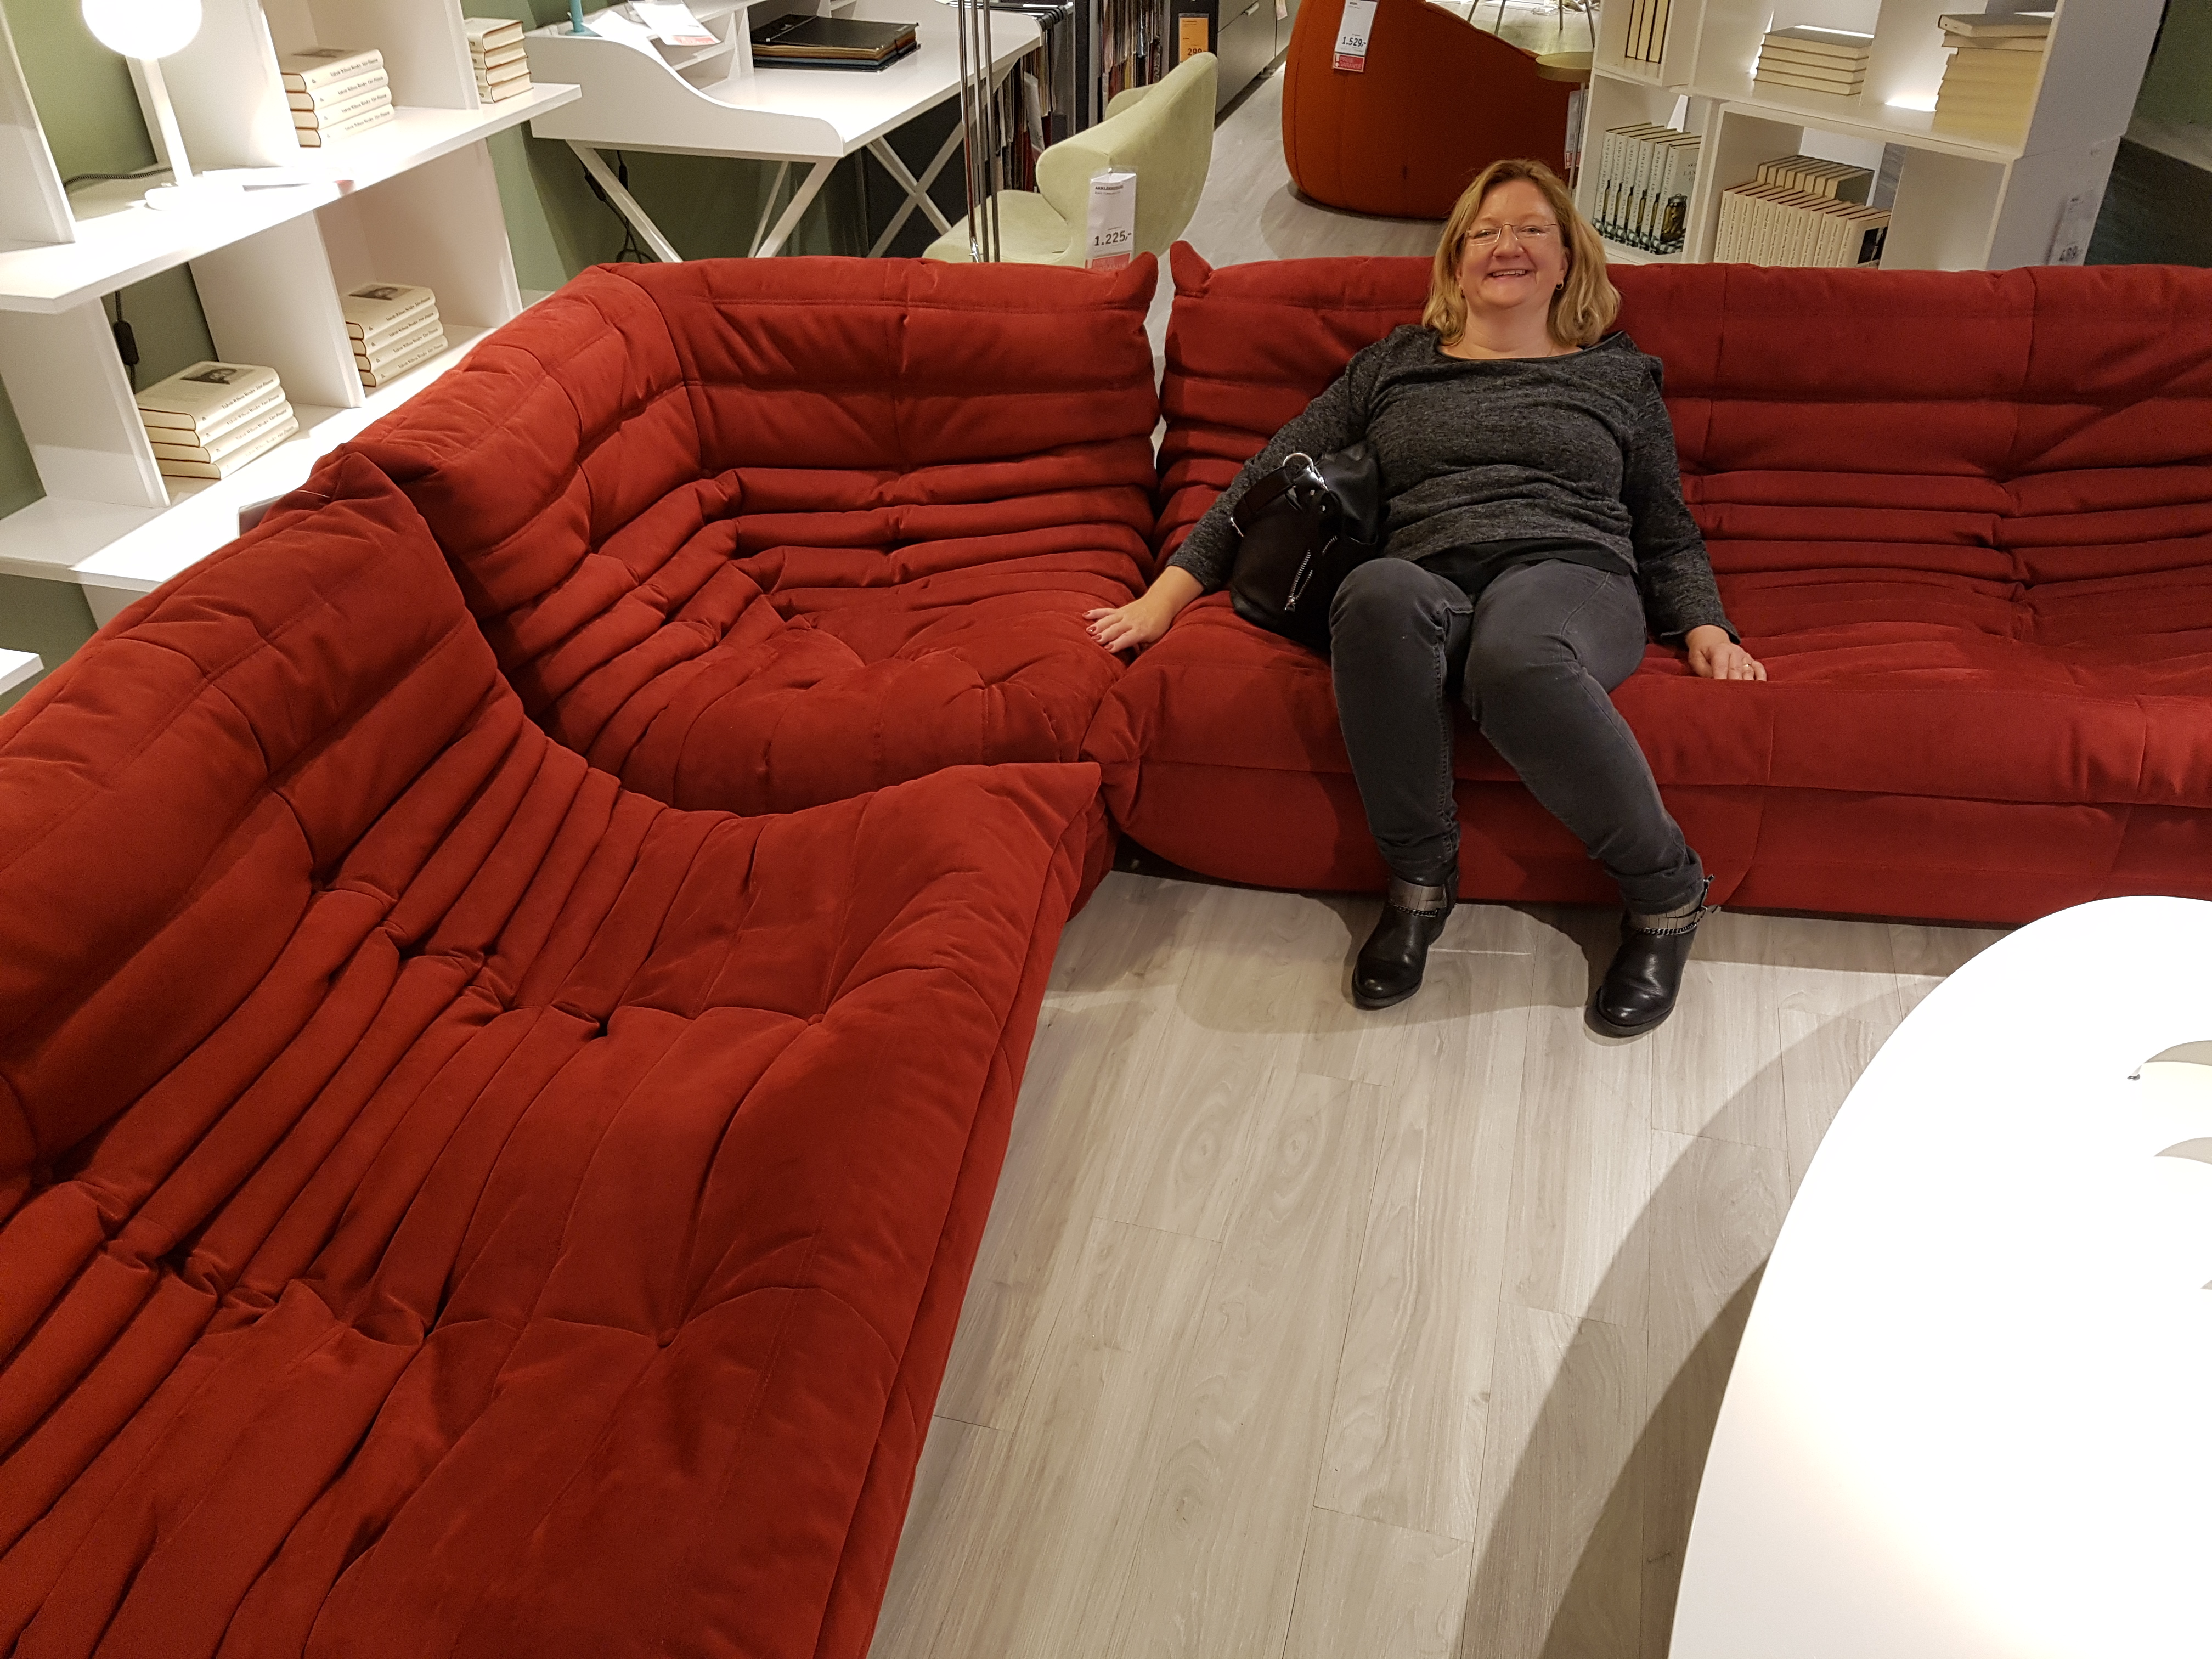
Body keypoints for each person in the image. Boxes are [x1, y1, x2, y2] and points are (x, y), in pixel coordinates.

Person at [1085, 157, 1765, 1033]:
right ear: (1455, 263)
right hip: (1428, 570)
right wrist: (1166, 597)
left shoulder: (1617, 376)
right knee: (1374, 594)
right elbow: (1269, 479)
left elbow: (1664, 526)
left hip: (1573, 572)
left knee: (1517, 658)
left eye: (1531, 229)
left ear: (1567, 261)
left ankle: (1668, 892)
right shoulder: (1393, 366)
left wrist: (1705, 623)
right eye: (1485, 232)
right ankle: (1419, 883)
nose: (1507, 245)